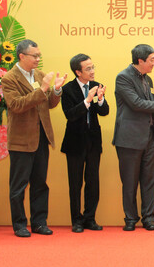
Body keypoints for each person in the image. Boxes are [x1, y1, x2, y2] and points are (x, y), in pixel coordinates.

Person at [1, 39, 67, 237]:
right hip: (21, 140)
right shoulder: (9, 78)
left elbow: (48, 104)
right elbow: (17, 105)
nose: (38, 59)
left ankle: (39, 222)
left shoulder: (39, 75)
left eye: (39, 55)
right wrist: (44, 89)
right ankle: (20, 224)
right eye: (34, 56)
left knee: (40, 183)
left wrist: (55, 90)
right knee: (19, 186)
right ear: (21, 56)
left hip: (41, 138)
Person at [112, 44, 154, 231]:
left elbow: (146, 99)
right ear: (140, 61)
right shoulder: (123, 78)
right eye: (152, 59)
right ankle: (130, 219)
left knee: (149, 181)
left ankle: (148, 218)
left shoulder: (146, 78)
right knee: (130, 181)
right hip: (129, 139)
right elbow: (135, 103)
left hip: (148, 138)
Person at [60, 54, 109, 233]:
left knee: (92, 181)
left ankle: (90, 218)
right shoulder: (68, 89)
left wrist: (100, 99)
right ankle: (77, 220)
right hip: (75, 142)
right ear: (78, 71)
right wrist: (87, 100)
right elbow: (70, 114)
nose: (92, 71)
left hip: (93, 142)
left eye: (93, 67)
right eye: (88, 69)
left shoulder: (97, 86)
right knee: (75, 183)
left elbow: (104, 112)